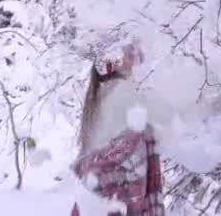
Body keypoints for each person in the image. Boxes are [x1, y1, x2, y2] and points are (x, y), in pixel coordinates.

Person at [70, 44, 165, 216]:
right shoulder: (122, 92)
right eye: (129, 55)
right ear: (112, 59)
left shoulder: (99, 94)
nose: (135, 61)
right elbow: (168, 117)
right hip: (118, 197)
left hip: (101, 197)